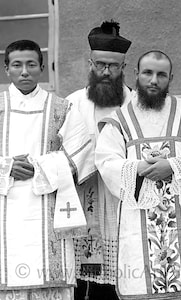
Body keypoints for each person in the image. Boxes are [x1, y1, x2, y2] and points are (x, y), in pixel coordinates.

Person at [95, 50, 181, 300]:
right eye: (148, 73)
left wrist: (172, 166)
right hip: (137, 220)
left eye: (161, 74)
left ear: (170, 78)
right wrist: (139, 168)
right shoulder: (120, 120)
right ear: (136, 74)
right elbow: (106, 162)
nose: (154, 80)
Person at [0, 40, 94, 299]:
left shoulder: (62, 108)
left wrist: (39, 167)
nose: (24, 71)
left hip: (49, 210)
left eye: (31, 64)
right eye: (17, 65)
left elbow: (82, 153)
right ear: (6, 68)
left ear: (43, 68)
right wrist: (6, 167)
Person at [66, 20, 132, 300]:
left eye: (113, 67)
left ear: (123, 69)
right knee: (87, 279)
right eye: (100, 65)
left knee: (126, 270)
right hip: (85, 197)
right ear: (89, 64)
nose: (106, 72)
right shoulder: (71, 104)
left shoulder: (136, 104)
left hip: (124, 200)